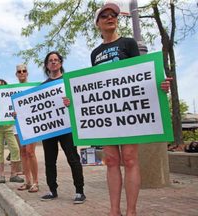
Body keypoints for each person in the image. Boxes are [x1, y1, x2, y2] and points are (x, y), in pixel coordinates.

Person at [63, 3, 171, 216]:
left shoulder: (129, 43)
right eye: (105, 15)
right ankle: (114, 211)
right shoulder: (95, 53)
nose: (110, 17)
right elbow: (94, 86)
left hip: (128, 113)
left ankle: (131, 211)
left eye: (113, 14)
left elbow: (140, 75)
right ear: (98, 24)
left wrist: (159, 85)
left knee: (130, 159)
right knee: (111, 161)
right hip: (107, 116)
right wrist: (74, 101)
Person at [40, 51, 86, 204]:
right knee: (49, 161)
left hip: (67, 128)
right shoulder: (41, 87)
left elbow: (79, 100)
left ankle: (80, 191)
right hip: (49, 129)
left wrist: (70, 102)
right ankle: (52, 190)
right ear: (47, 65)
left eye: (56, 60)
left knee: (73, 158)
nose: (53, 62)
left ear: (60, 63)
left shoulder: (68, 81)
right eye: (50, 60)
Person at [0, 79, 24, 184]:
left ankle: (13, 174)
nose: (0, 87)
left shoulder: (10, 98)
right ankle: (2, 175)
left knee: (15, 149)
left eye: (2, 85)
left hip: (9, 127)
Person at [13, 64, 39, 193]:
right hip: (17, 123)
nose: (22, 73)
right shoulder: (10, 90)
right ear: (16, 74)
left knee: (30, 152)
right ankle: (27, 181)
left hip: (31, 123)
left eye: (24, 71)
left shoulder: (33, 87)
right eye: (19, 71)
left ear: (27, 73)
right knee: (22, 152)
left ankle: (36, 182)